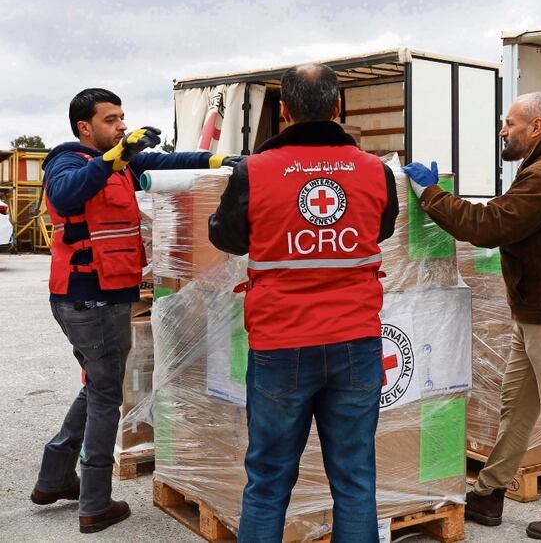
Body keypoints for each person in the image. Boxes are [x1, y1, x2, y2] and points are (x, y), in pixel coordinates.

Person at [32, 88, 239, 534]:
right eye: (112, 120)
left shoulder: (122, 162)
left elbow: (166, 162)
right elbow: (68, 196)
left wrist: (216, 163)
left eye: (123, 118)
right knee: (107, 395)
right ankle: (95, 503)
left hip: (100, 297)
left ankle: (53, 477)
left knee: (96, 385)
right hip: (90, 298)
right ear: (85, 127)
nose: (122, 126)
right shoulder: (67, 162)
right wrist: (116, 156)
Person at [208, 63, 398, 543]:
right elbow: (383, 228)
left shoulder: (253, 172)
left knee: (269, 481)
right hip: (356, 342)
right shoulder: (375, 171)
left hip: (280, 345)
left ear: (285, 112)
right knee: (355, 480)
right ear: (338, 108)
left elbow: (228, 239)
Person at [402, 91, 541, 541]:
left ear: (536, 128)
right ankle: (490, 493)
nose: (502, 131)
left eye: (509, 123)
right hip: (538, 310)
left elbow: (487, 227)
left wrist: (431, 194)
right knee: (516, 407)